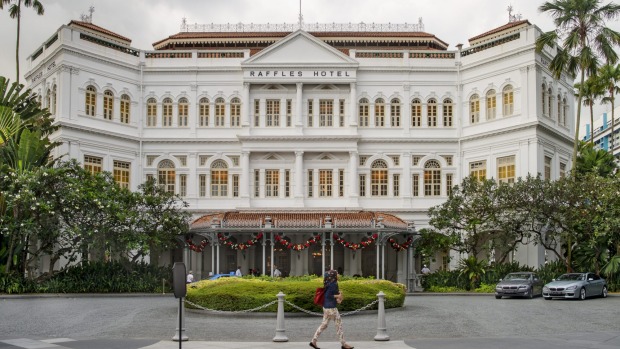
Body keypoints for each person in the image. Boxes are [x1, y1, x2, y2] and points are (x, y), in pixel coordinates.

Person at [310, 270, 354, 349]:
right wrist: (338, 296)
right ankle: (344, 344)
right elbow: (329, 296)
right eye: (337, 273)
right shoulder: (333, 284)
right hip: (331, 308)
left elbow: (338, 300)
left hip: (326, 307)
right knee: (339, 325)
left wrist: (340, 296)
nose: (339, 275)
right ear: (333, 275)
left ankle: (313, 341)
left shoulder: (329, 283)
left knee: (324, 324)